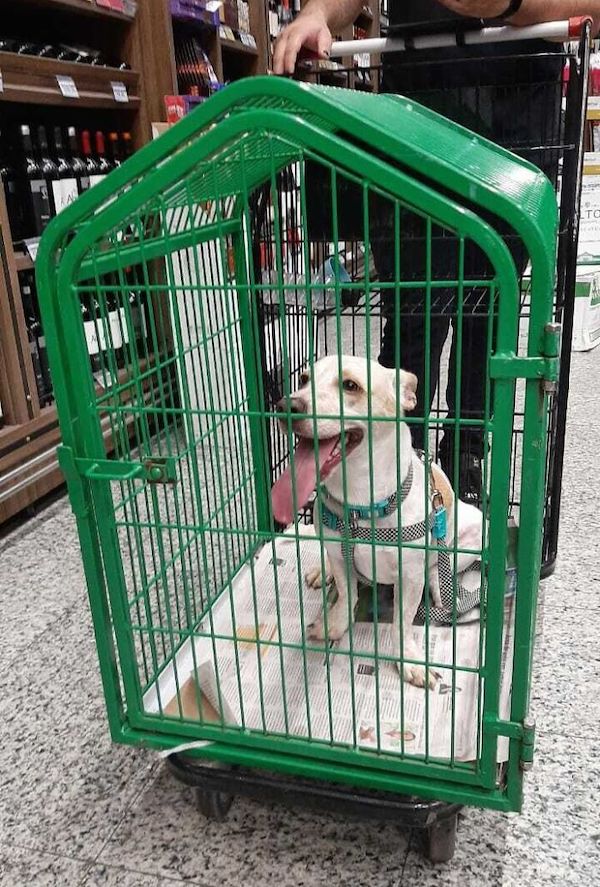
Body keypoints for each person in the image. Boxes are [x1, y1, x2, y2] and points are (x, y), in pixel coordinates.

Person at [274, 0, 600, 504]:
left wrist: (508, 5)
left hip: (515, 121)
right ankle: (394, 465)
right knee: (412, 314)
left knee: (486, 315)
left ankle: (464, 459)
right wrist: (317, 12)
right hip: (415, 119)